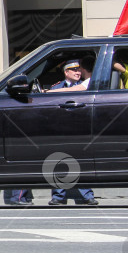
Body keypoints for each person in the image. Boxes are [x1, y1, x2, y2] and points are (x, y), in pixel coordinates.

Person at [44, 58, 98, 205]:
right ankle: (58, 197)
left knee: (80, 161)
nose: (77, 72)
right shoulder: (56, 88)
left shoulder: (86, 85)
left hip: (80, 129)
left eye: (79, 69)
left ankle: (87, 196)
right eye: (74, 70)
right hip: (60, 130)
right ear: (66, 72)